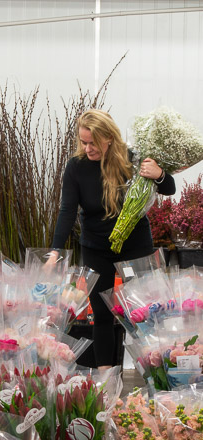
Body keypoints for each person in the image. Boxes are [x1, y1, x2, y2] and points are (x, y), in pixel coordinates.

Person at [47, 109, 175, 369]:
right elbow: (67, 210)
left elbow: (169, 188)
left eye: (93, 142)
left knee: (144, 312)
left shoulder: (132, 158)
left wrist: (159, 174)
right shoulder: (76, 167)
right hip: (96, 247)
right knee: (102, 314)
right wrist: (55, 250)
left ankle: (153, 374)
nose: (87, 148)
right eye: (83, 142)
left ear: (109, 138)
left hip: (135, 245)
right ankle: (106, 378)